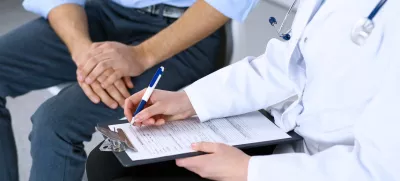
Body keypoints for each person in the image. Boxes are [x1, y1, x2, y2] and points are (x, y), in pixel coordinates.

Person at [87, 0, 400, 180]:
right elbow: (284, 64)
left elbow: (379, 170)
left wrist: (250, 170)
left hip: (325, 164)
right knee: (110, 161)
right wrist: (188, 101)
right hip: (286, 130)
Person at [0, 0, 257, 180]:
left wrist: (141, 55)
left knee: (55, 121)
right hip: (101, 13)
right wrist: (84, 53)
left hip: (185, 29)